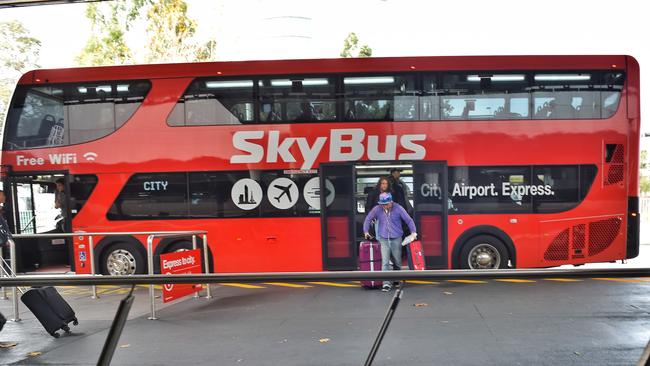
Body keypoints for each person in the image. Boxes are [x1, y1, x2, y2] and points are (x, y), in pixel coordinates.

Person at [363, 192, 417, 292]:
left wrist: (413, 232)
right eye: (383, 204)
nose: (385, 206)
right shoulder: (377, 209)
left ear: (391, 202)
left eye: (387, 204)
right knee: (385, 261)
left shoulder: (398, 208)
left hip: (396, 237)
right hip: (383, 238)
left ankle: (397, 280)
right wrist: (366, 231)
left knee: (397, 261)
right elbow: (368, 219)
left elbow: (408, 220)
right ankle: (386, 283)